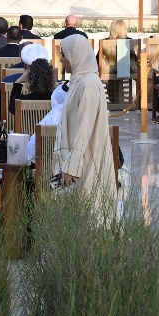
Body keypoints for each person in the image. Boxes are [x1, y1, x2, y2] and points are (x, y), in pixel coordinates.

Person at [54, 32, 115, 219]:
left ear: (76, 55)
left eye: (64, 55)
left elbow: (84, 129)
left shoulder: (88, 84)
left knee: (91, 214)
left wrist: (72, 166)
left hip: (86, 161)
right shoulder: (79, 80)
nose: (62, 60)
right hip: (80, 159)